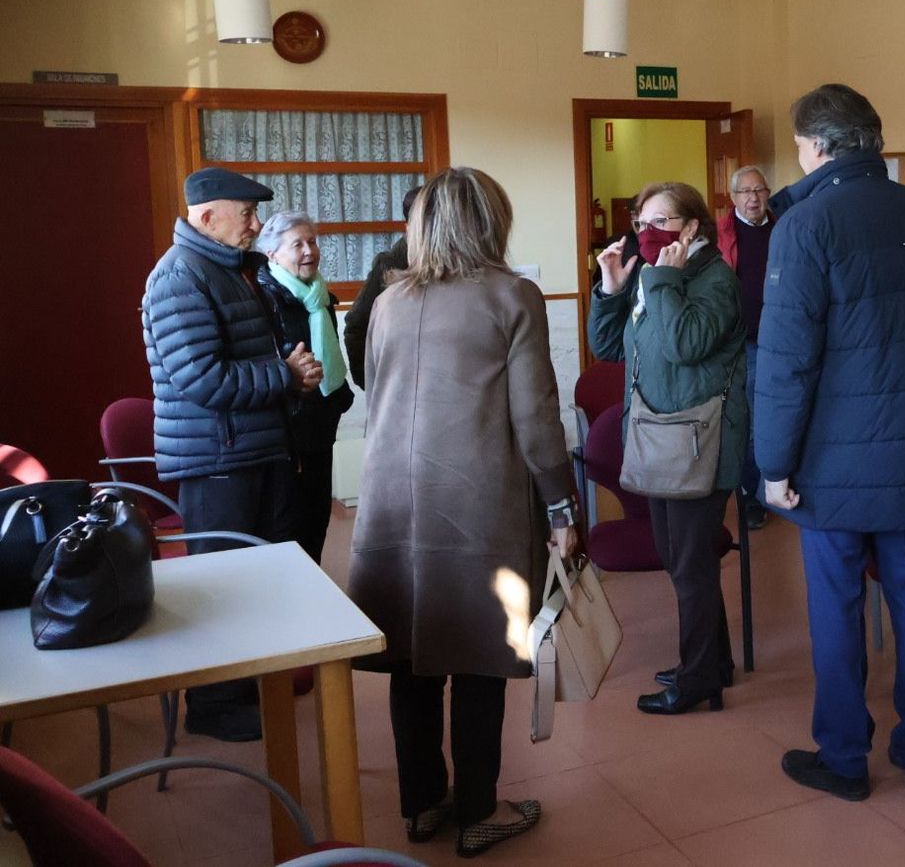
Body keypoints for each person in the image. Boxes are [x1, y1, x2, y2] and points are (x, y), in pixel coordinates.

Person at [346, 167, 577, 857]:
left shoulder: (391, 300)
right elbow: (536, 419)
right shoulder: (513, 294)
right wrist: (562, 505)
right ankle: (478, 809)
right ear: (491, 221)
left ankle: (420, 805)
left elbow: (375, 389)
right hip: (479, 506)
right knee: (480, 660)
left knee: (412, 655)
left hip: (392, 504)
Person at [758, 83, 905, 801]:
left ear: (817, 146)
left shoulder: (807, 225)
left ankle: (846, 757)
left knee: (837, 605)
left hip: (833, 465)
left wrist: (773, 463)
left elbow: (787, 363)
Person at [141, 167, 322, 742]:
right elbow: (200, 378)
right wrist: (283, 375)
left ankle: (246, 687)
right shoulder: (178, 278)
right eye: (246, 213)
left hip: (252, 451)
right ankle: (213, 705)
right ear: (206, 216)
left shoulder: (231, 268)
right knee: (221, 587)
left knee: (255, 579)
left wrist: (291, 375)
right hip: (216, 459)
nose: (257, 223)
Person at [590, 181, 747, 715]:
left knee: (690, 566)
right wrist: (612, 291)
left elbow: (685, 345)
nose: (646, 233)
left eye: (660, 223)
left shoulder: (714, 280)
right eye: (640, 223)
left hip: (699, 445)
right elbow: (611, 347)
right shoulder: (652, 277)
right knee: (685, 560)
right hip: (659, 439)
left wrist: (660, 281)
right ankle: (715, 661)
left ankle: (698, 677)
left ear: (692, 227)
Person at [254, 211, 356, 565]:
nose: (309, 251)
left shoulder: (318, 293)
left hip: (320, 421)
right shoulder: (263, 297)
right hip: (286, 431)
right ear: (272, 254)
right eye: (296, 244)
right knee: (290, 528)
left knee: (317, 522)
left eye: (312, 241)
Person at [717, 164, 779, 530]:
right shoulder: (721, 234)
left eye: (760, 191)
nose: (754, 198)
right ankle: (750, 494)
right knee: (753, 420)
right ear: (734, 197)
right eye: (746, 192)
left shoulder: (784, 227)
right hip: (745, 342)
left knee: (780, 415)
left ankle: (770, 487)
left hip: (784, 340)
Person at [343, 183, 422, 390]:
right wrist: (372, 383)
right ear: (409, 226)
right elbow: (356, 325)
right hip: (399, 386)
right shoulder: (390, 264)